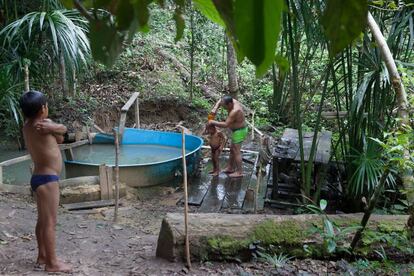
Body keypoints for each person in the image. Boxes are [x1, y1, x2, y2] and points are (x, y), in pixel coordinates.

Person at [20, 90, 72, 273]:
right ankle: (52, 263)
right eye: (47, 105)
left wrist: (52, 128)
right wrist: (54, 127)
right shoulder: (43, 127)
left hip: (37, 178)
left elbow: (59, 137)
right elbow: (64, 130)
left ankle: (42, 255)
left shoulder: (27, 126)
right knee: (50, 222)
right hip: (49, 180)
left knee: (42, 220)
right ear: (43, 109)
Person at [208, 95, 247, 178]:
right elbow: (220, 100)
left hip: (240, 131)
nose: (224, 108)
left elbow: (226, 124)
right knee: (232, 149)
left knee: (236, 151)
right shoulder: (231, 100)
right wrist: (215, 108)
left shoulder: (235, 111)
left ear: (229, 104)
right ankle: (230, 168)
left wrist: (212, 122)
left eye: (225, 107)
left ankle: (239, 172)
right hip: (236, 130)